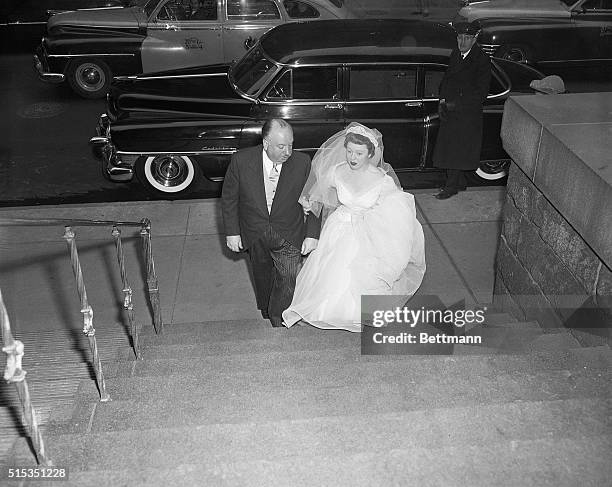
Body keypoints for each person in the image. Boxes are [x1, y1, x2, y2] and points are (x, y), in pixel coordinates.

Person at [282, 123, 426, 333]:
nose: (352, 157)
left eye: (359, 153)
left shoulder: (383, 181)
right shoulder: (336, 171)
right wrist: (310, 203)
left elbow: (397, 214)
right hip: (338, 227)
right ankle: (327, 312)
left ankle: (362, 314)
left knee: (361, 273)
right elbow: (318, 193)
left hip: (367, 232)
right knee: (331, 271)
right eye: (349, 151)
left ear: (370, 154)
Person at [222, 119, 320, 327]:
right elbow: (230, 198)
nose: (288, 151)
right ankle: (266, 308)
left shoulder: (302, 162)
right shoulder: (241, 161)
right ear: (266, 143)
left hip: (289, 231)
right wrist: (232, 232)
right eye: (281, 146)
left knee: (288, 277)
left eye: (291, 144)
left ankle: (279, 319)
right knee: (262, 274)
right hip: (255, 231)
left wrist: (312, 234)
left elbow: (316, 198)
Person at [433, 21, 491, 200]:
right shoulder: (456, 54)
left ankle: (450, 187)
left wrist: (455, 105)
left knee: (456, 152)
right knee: (452, 150)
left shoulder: (481, 60)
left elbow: (481, 93)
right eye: (460, 38)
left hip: (467, 114)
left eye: (466, 38)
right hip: (451, 110)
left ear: (474, 40)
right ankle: (459, 183)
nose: (462, 42)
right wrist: (442, 99)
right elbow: (448, 79)